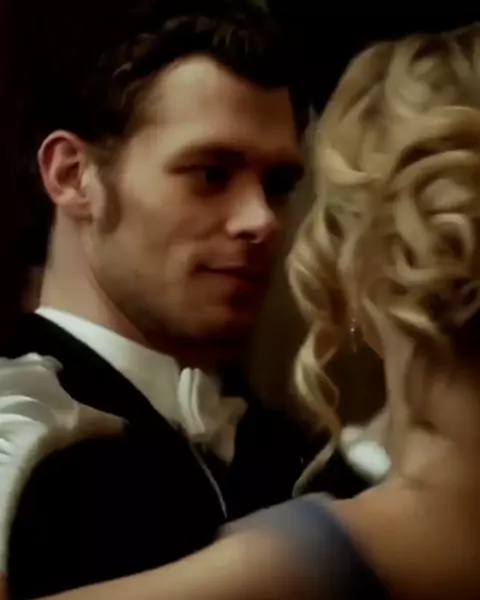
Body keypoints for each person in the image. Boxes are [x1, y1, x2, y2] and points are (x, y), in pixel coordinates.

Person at [19, 20, 480, 600]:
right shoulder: (15, 425)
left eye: (279, 185)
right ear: (71, 175)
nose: (262, 220)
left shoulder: (307, 454)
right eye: (211, 175)